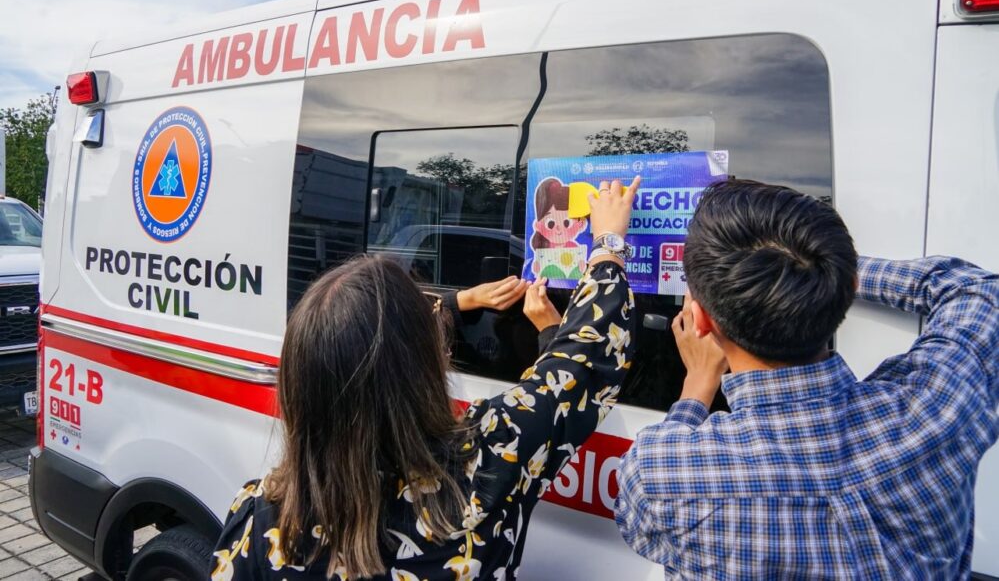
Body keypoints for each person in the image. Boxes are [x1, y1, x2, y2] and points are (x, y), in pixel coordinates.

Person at [212, 177, 641, 580]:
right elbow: (585, 358)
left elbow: (380, 348)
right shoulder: (485, 465)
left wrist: (459, 302)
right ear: (424, 370)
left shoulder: (258, 522)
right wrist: (606, 245)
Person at [615, 179, 999, 579]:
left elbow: (636, 522)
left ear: (700, 320)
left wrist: (696, 388)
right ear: (850, 286)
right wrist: (820, 270)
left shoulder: (660, 473)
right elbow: (979, 291)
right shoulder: (938, 410)